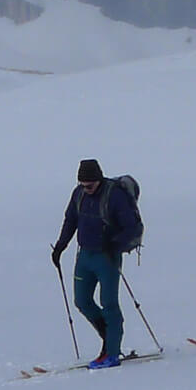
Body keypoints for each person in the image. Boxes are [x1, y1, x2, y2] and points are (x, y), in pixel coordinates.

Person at [54, 158, 140, 368]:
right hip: (85, 255)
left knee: (109, 304)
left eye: (90, 185)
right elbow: (70, 220)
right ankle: (108, 337)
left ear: (99, 179)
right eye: (83, 185)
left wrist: (115, 244)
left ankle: (112, 352)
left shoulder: (115, 195)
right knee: (82, 301)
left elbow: (133, 227)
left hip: (107, 257)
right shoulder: (79, 194)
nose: (86, 189)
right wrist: (60, 246)